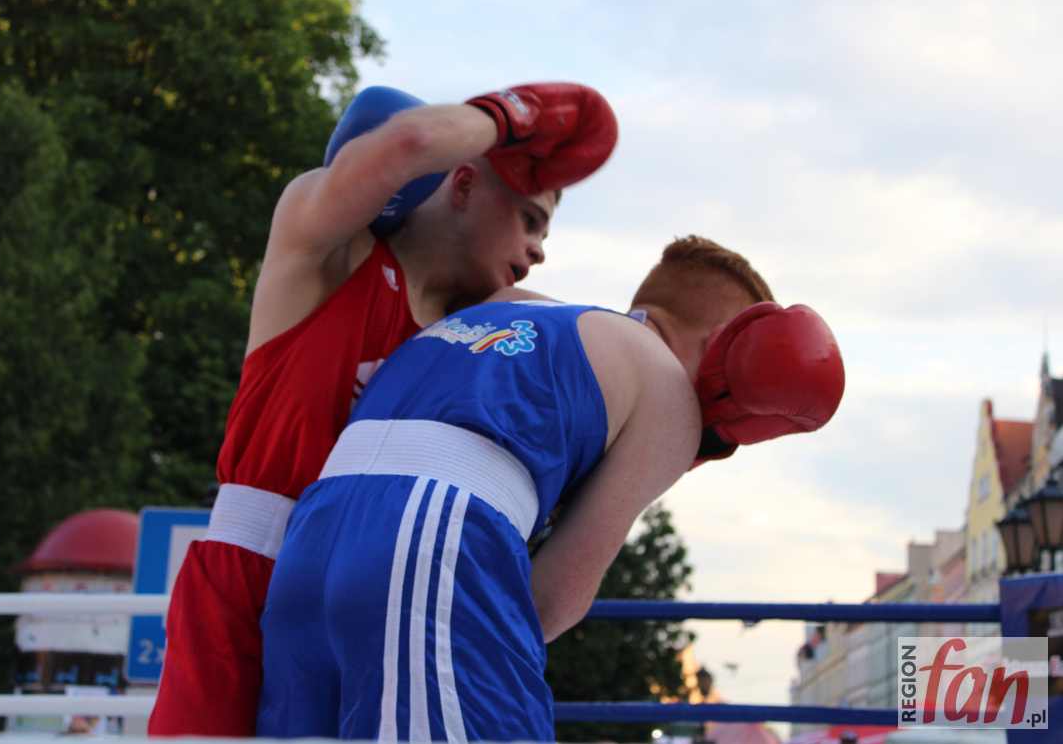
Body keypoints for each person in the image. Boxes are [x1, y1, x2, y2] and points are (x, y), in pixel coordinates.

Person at [148, 82, 619, 736]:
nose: (539, 248)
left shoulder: (479, 332)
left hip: (373, 588)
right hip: (250, 570)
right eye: (530, 218)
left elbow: (619, 347)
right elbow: (402, 145)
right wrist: (511, 120)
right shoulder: (331, 254)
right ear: (463, 185)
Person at [257, 235, 846, 741]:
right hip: (430, 538)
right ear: (724, 342)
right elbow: (553, 600)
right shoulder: (668, 390)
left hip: (310, 540)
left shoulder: (498, 309)